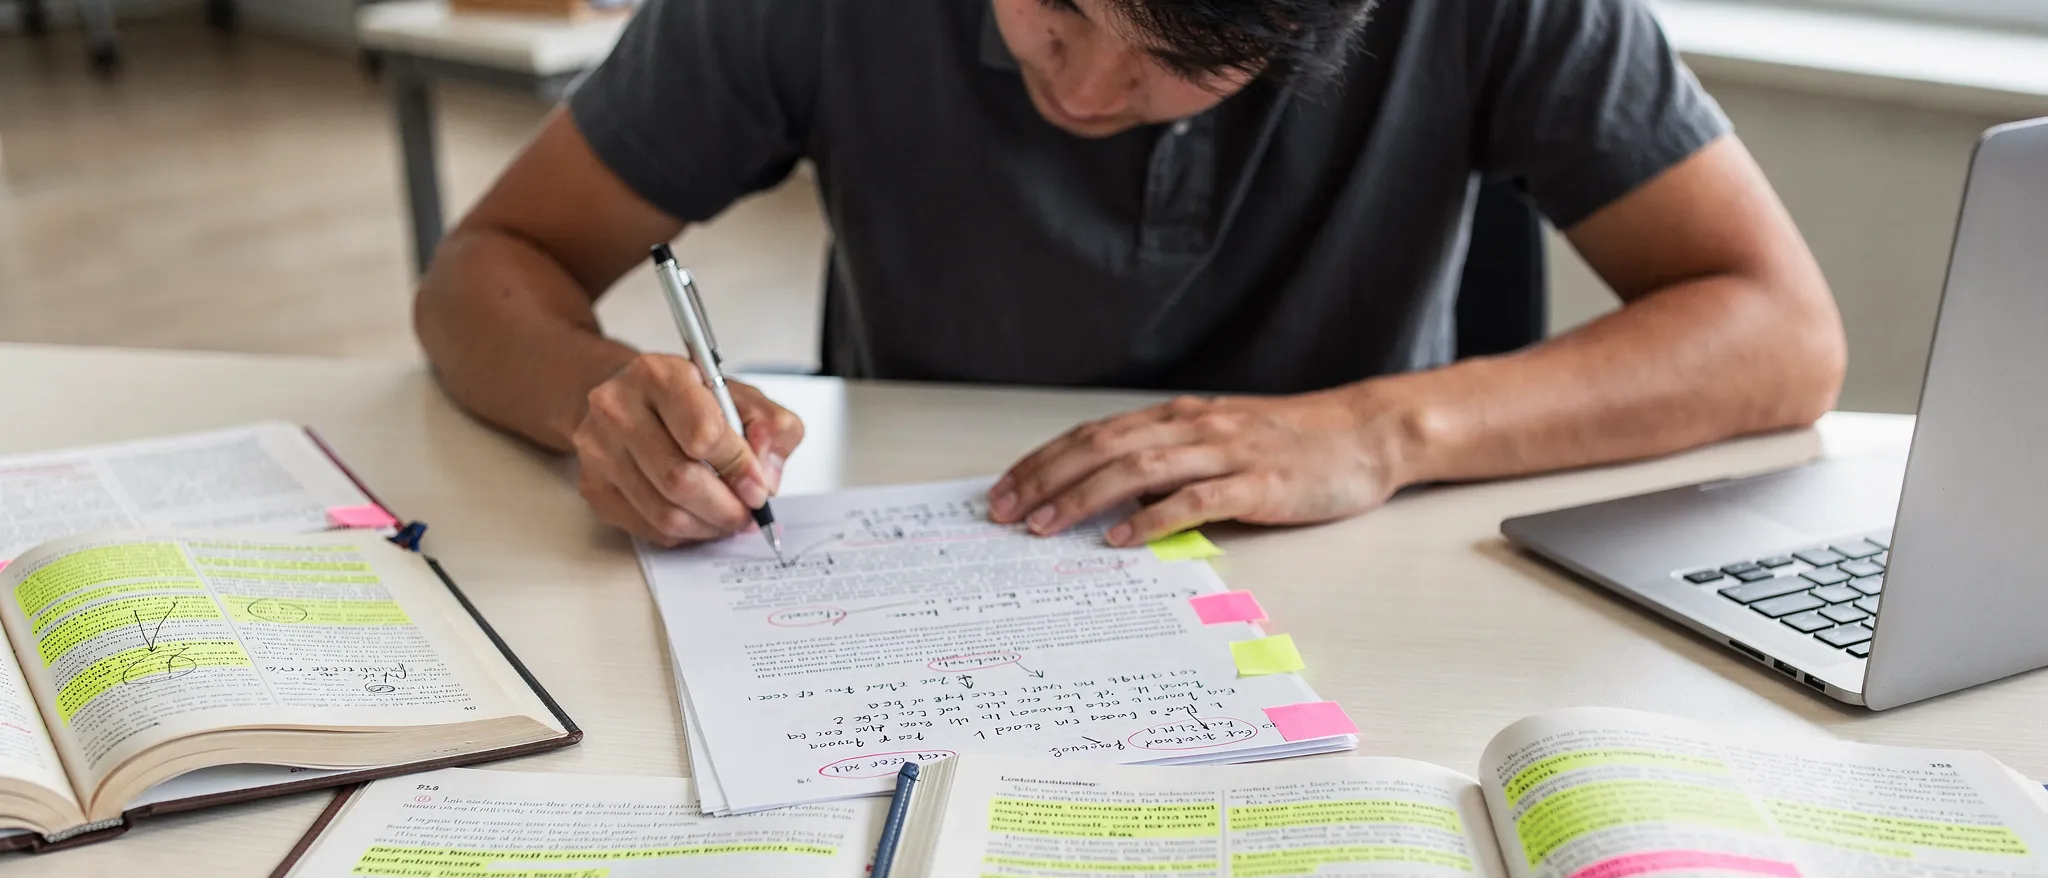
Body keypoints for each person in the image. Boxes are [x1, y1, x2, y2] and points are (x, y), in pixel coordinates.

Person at [415, 0, 1845, 550]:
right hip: (928, 591)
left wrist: (1387, 428)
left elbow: (1782, 334)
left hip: (1346, 586)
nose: (1088, 87)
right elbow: (488, 265)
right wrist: (605, 396)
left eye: (1180, 59)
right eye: (1061, 5)